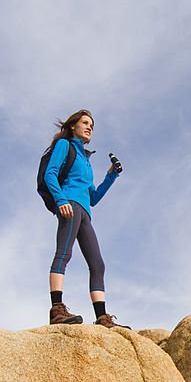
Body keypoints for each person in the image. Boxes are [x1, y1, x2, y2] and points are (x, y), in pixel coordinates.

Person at [44, 108, 130, 328]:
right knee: (64, 253)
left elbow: (93, 197)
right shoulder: (65, 145)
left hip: (85, 212)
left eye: (92, 124)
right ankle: (57, 310)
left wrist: (111, 176)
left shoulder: (86, 161)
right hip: (70, 206)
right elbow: (50, 173)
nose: (89, 126)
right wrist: (61, 200)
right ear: (73, 125)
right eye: (85, 122)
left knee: (98, 265)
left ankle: (102, 318)